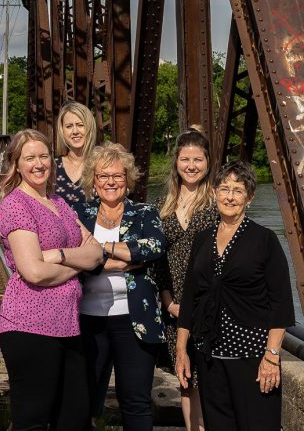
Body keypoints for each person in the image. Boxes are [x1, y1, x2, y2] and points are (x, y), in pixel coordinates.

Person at [0, 129, 104, 430]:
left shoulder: (59, 203)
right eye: (29, 158)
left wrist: (56, 254)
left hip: (68, 326)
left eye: (44, 156)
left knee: (74, 418)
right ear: (16, 164)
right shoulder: (16, 204)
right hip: (30, 326)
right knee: (33, 420)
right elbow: (34, 272)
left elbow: (95, 252)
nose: (38, 164)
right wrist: (78, 262)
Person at [176, 160, 295, 431]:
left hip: (252, 361)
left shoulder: (264, 240)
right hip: (209, 359)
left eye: (238, 190)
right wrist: (182, 350)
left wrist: (272, 356)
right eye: (225, 188)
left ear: (249, 197)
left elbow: (281, 305)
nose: (230, 196)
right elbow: (191, 296)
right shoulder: (203, 238)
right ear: (215, 192)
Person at [75, 142, 166, 431]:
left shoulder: (145, 212)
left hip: (134, 320)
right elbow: (75, 256)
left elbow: (153, 247)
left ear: (128, 180)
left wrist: (99, 250)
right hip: (88, 319)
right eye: (103, 176)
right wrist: (125, 258)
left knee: (136, 401)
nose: (110, 182)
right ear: (93, 180)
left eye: (117, 175)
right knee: (84, 400)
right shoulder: (79, 213)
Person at [153, 129, 218, 430]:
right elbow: (155, 260)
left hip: (208, 305)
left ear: (208, 163)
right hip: (174, 306)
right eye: (185, 159)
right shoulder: (162, 205)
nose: (191, 165)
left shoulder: (218, 203)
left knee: (207, 376)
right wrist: (169, 303)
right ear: (176, 162)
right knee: (185, 377)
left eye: (198, 159)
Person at [54, 101, 97, 210]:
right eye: (69, 126)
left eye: (80, 125)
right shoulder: (51, 167)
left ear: (89, 128)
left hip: (93, 227)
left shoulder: (102, 165)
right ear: (62, 131)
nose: (75, 131)